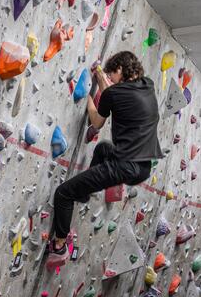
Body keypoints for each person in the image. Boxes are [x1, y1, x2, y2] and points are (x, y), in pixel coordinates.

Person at [46, 51, 163, 269]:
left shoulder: (113, 93)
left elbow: (97, 122)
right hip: (143, 168)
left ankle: (60, 244)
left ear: (119, 70)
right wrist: (103, 82)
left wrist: (90, 100)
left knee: (63, 193)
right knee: (103, 148)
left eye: (112, 73)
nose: (110, 78)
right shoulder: (148, 86)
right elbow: (117, 94)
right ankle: (84, 193)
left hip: (124, 166)